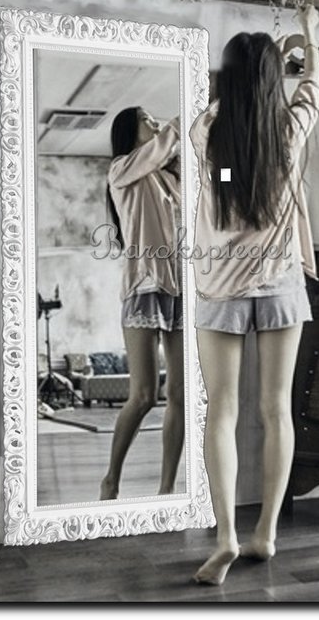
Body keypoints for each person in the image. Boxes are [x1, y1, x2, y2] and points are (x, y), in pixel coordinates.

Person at [188, 4, 319, 585]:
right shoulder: (288, 134)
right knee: (275, 410)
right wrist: (308, 37)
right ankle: (265, 532)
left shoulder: (208, 136)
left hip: (221, 285)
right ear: (272, 81)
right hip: (280, 286)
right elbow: (312, 87)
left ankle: (225, 535)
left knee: (222, 410)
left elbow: (222, 173)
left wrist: (239, 84)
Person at [100, 106, 185, 500]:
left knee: (180, 395)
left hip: (180, 289)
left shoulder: (171, 177)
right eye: (146, 120)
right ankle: (111, 478)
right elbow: (160, 146)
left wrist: (227, 165)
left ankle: (167, 489)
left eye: (155, 119)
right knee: (144, 396)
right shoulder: (121, 170)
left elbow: (220, 182)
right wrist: (182, 121)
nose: (155, 123)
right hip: (142, 287)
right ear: (129, 132)